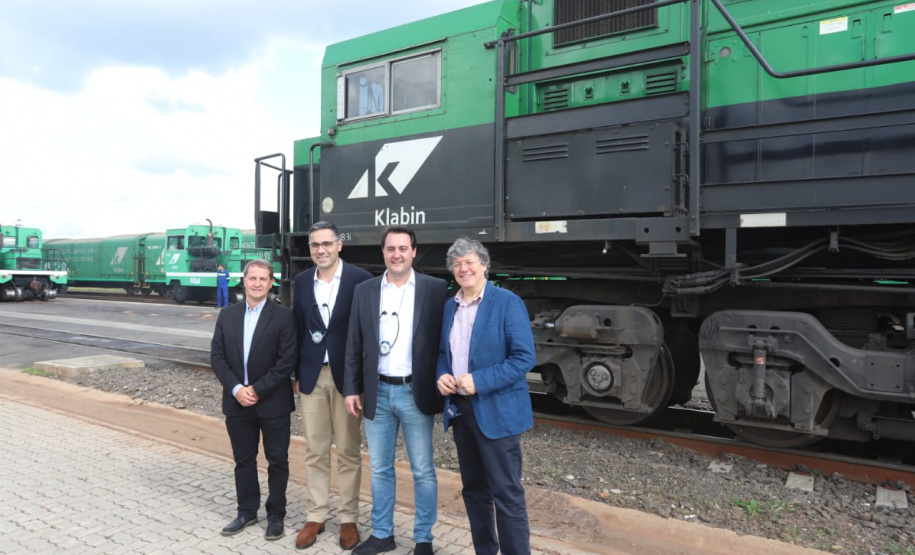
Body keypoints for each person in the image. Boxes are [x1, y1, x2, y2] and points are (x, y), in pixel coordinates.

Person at [343, 226, 447, 555]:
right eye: (391, 249)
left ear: (414, 251)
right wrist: (351, 388)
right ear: (383, 252)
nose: (397, 254)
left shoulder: (434, 288)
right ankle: (382, 534)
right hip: (377, 392)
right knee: (380, 468)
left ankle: (423, 539)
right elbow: (354, 342)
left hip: (415, 392)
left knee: (423, 470)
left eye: (403, 248)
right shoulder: (365, 290)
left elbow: (442, 343)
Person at [435, 237, 536, 555]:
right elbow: (443, 353)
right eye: (457, 264)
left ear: (484, 265)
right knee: (475, 491)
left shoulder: (507, 302)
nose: (463, 268)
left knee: (506, 493)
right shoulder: (450, 306)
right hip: (462, 412)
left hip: (498, 413)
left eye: (469, 262)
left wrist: (479, 381)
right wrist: (442, 375)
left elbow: (524, 358)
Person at [292, 222, 372, 550]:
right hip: (312, 376)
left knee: (349, 451)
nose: (320, 250)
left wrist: (361, 380)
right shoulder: (301, 281)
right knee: (315, 449)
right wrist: (296, 373)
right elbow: (298, 328)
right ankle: (316, 515)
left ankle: (348, 518)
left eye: (326, 243)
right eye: (315, 245)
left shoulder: (360, 279)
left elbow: (366, 331)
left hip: (348, 379)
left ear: (340, 245)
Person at [210, 258, 296, 541]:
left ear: (271, 283)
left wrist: (257, 389)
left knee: (277, 461)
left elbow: (286, 362)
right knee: (243, 460)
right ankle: (246, 511)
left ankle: (276, 515)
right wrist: (236, 388)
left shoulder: (283, 317)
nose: (257, 283)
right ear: (244, 281)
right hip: (237, 402)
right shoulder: (228, 315)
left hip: (273, 402)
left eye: (263, 279)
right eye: (252, 278)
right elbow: (217, 356)